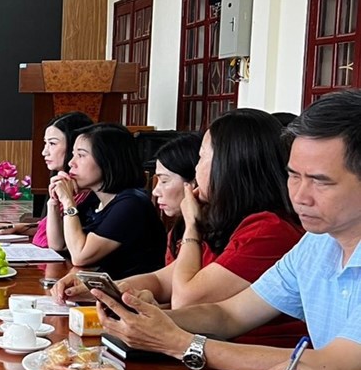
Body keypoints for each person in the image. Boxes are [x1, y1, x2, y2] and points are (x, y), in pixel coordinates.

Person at [96, 90, 361, 370]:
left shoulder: (273, 228)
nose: (299, 196)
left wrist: (180, 343)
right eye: (294, 176)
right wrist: (148, 320)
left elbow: (332, 365)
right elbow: (229, 315)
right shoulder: (316, 244)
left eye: (321, 182)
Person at [54, 110, 305, 347]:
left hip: (245, 362)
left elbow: (186, 299)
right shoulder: (225, 220)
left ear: (229, 164)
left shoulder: (268, 230)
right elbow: (161, 281)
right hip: (202, 349)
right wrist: (99, 289)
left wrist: (192, 228)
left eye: (202, 157)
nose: (195, 169)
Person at [46, 123, 165, 278]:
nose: (71, 163)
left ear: (108, 160)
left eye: (81, 155)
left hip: (131, 291)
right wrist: (54, 203)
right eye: (73, 154)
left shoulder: (131, 204)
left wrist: (68, 202)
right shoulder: (95, 200)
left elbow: (80, 256)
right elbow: (58, 245)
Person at [0, 111, 93, 245]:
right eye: (45, 143)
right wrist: (17, 227)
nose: (44, 152)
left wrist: (67, 203)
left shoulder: (91, 191)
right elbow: (55, 229)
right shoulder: (61, 182)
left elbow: (63, 242)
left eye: (52, 143)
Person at [151, 132, 203, 264]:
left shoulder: (218, 236)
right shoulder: (177, 230)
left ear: (194, 182)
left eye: (164, 181)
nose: (155, 192)